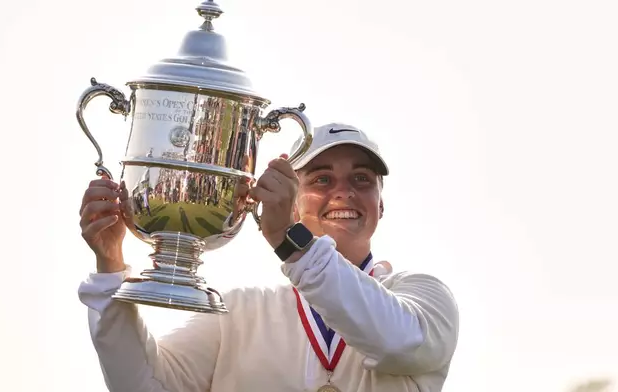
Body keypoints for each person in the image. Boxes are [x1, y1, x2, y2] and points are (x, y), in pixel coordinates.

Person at [77, 122, 460, 392]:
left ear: (381, 203)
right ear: (292, 201)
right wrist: (110, 269)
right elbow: (145, 385)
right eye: (321, 179)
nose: (344, 193)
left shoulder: (423, 296)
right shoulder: (238, 312)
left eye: (362, 179)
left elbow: (398, 342)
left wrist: (292, 243)